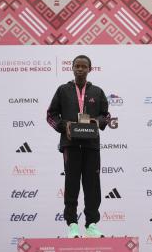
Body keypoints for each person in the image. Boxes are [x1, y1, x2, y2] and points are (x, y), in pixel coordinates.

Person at [46, 55, 110, 238]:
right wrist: (63, 125)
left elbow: (106, 116)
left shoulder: (97, 92)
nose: (80, 69)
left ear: (90, 69)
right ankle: (72, 224)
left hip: (91, 145)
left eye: (84, 66)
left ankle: (91, 225)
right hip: (70, 145)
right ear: (72, 68)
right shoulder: (63, 90)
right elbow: (51, 115)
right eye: (77, 66)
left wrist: (96, 121)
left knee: (92, 184)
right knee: (72, 183)